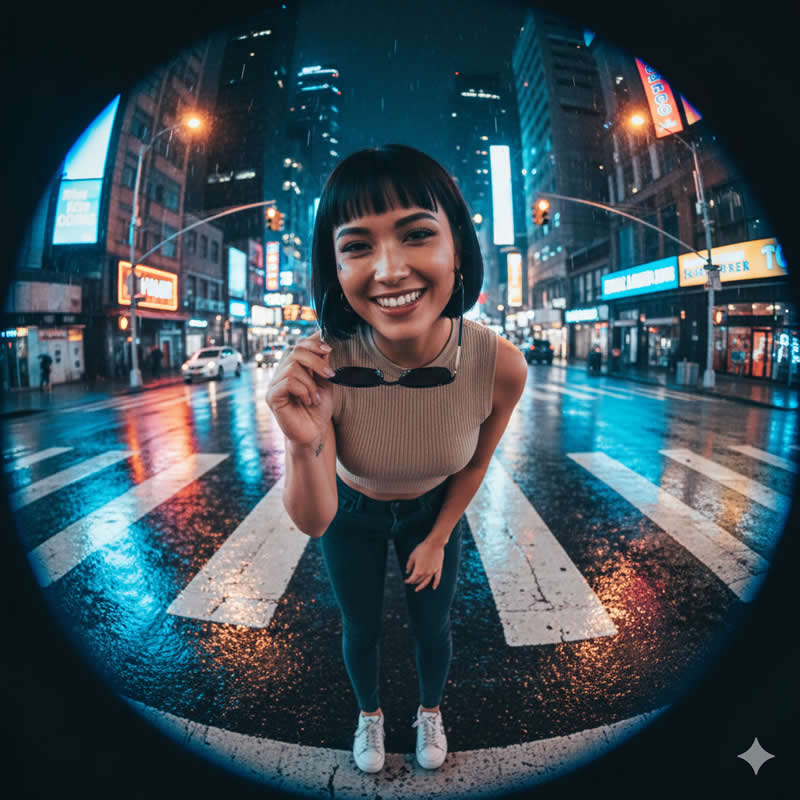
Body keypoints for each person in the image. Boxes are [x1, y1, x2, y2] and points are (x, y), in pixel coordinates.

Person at [265, 145, 527, 774]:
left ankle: (429, 714)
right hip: (351, 511)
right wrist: (302, 440)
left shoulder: (500, 365)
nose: (388, 270)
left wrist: (438, 536)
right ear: (333, 266)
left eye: (416, 234)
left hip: (434, 511)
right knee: (361, 630)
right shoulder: (327, 362)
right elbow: (314, 520)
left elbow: (474, 464)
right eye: (357, 246)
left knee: (432, 629)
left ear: (458, 247)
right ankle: (370, 718)